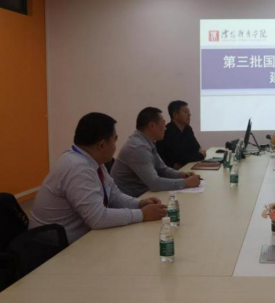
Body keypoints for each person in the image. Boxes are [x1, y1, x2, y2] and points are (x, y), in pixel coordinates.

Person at [29, 113, 168, 244]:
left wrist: (140, 203)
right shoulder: (77, 167)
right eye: (115, 140)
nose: (115, 146)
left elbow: (114, 195)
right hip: (52, 247)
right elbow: (98, 218)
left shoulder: (93, 161)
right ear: (102, 145)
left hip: (77, 237)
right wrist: (142, 214)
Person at [111, 107, 200, 197]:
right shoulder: (138, 147)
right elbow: (154, 183)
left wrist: (181, 175)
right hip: (132, 198)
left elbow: (162, 169)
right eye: (163, 124)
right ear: (152, 125)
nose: (165, 128)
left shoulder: (147, 142)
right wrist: (185, 183)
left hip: (144, 193)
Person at [157, 101, 206, 170]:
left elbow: (196, 148)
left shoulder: (188, 129)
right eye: (186, 112)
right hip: (170, 172)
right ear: (175, 115)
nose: (189, 114)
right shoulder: (167, 132)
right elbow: (181, 158)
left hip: (187, 168)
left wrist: (195, 155)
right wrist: (200, 155)